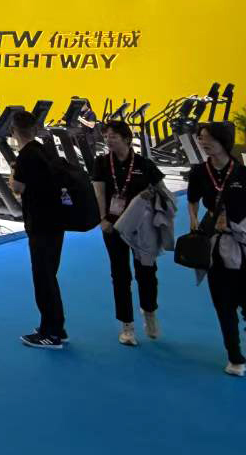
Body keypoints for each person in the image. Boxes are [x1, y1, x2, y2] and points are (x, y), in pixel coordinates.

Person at [186, 121, 246, 376]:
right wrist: (193, 219)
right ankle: (235, 356)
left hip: (245, 244)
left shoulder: (244, 174)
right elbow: (192, 200)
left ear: (224, 142)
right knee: (222, 303)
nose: (203, 143)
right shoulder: (199, 172)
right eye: (201, 138)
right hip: (214, 244)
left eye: (208, 138)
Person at [91, 119, 164, 346]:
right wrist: (102, 219)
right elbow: (99, 193)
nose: (108, 140)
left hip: (142, 229)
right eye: (106, 136)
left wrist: (154, 202)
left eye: (113, 136)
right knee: (120, 275)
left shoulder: (144, 164)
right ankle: (127, 326)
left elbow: (162, 191)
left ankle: (149, 312)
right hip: (113, 227)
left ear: (126, 138)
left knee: (147, 273)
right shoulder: (102, 163)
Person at [8, 109, 66, 349]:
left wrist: (13, 171)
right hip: (56, 221)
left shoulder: (25, 156)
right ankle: (55, 326)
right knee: (49, 275)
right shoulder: (43, 150)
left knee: (43, 278)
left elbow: (17, 188)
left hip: (40, 223)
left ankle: (50, 334)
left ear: (14, 132)